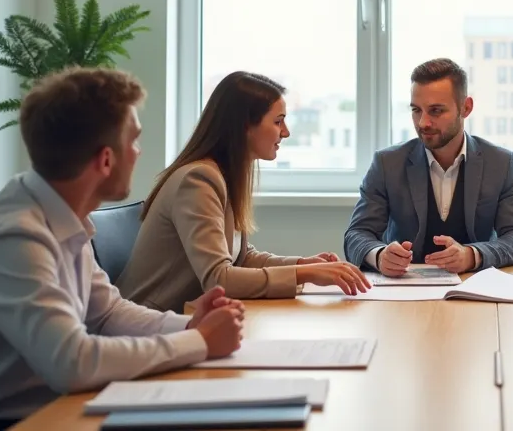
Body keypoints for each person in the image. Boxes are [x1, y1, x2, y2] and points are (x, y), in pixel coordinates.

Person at [0, 68, 245, 431]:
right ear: (105, 160)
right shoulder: (13, 235)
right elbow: (72, 363)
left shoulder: (60, 215)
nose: (139, 153)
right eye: (134, 141)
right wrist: (198, 341)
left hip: (30, 412)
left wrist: (188, 324)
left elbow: (106, 314)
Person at [116, 71, 369, 312]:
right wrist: (305, 274)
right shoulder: (198, 180)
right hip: (148, 329)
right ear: (246, 126)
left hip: (183, 319)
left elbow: (241, 258)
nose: (286, 132)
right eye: (278, 121)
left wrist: (303, 264)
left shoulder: (224, 175)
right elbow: (219, 279)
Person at [344, 58, 513, 276]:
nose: (423, 122)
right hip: (404, 292)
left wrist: (471, 255)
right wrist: (378, 256)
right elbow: (356, 234)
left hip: (475, 289)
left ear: (466, 107)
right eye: (416, 110)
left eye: (435, 111)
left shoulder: (501, 163)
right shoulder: (387, 164)